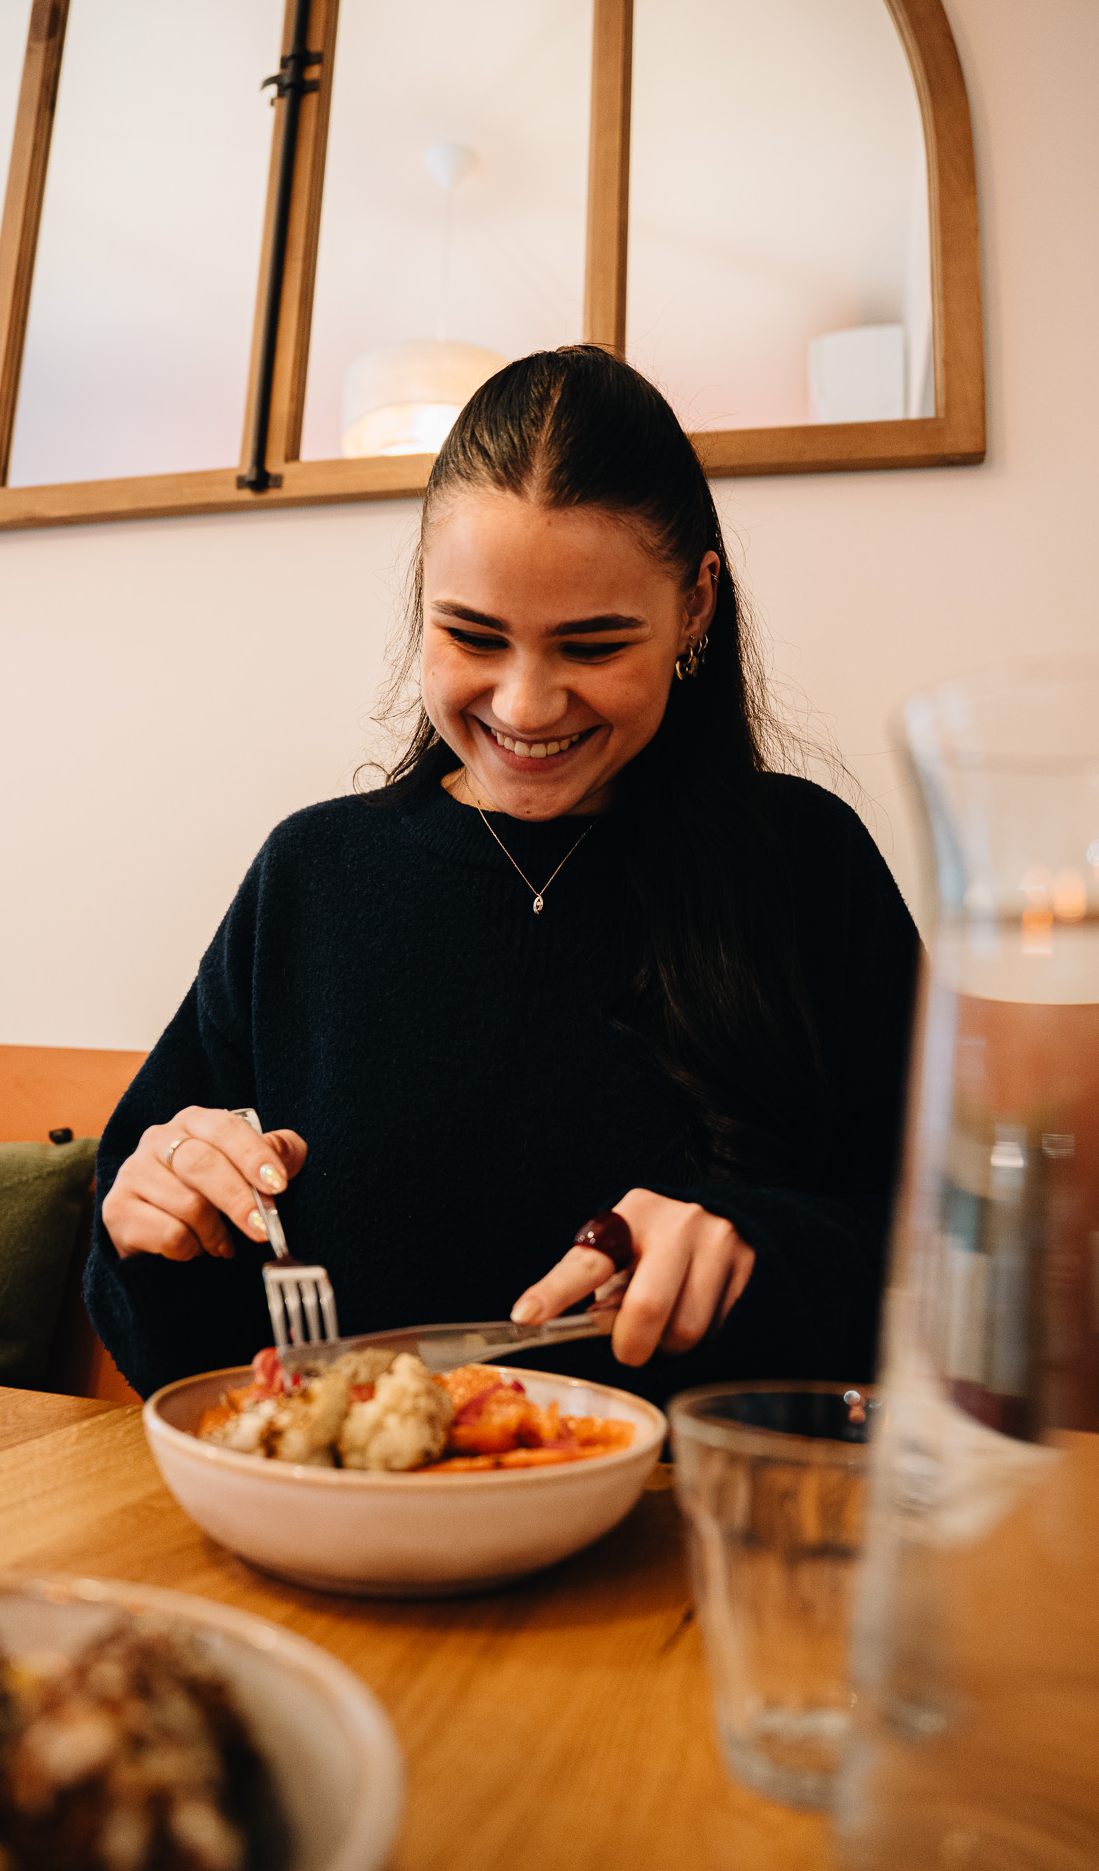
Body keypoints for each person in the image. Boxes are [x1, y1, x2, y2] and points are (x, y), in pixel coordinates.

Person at [86, 346, 919, 1402]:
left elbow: (943, 1260)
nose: (525, 706)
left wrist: (760, 1247)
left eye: (593, 644)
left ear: (696, 607)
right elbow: (177, 1350)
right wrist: (153, 1221)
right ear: (421, 603)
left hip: (705, 1532)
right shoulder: (313, 877)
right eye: (473, 634)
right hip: (353, 1539)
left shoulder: (810, 865)